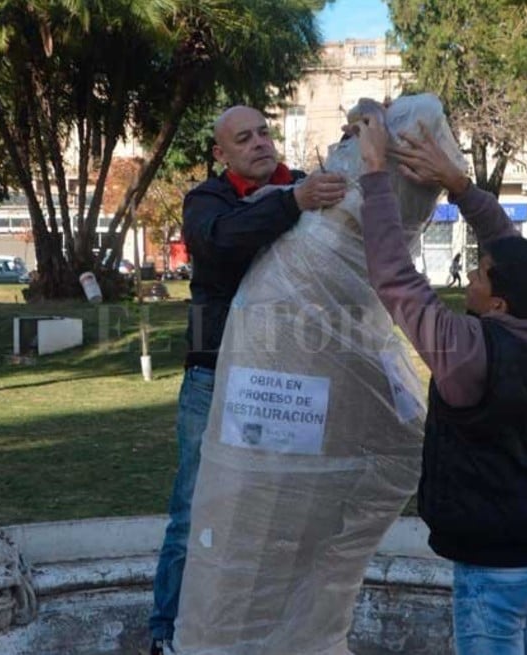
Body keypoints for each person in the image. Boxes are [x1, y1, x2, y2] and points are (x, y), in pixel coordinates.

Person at [353, 109, 527, 654]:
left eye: (478, 275)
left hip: (494, 573)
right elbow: (516, 255)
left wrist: (374, 173)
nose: (471, 278)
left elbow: (394, 277)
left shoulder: (468, 354)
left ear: (498, 302)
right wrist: (458, 186)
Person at [148, 105, 347, 655]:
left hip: (292, 381)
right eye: (244, 137)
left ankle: (270, 629)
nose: (260, 142)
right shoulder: (208, 201)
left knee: (287, 509)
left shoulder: (307, 187)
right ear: (221, 153)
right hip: (216, 378)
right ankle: (166, 633)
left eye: (263, 132)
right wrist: (293, 203)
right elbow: (220, 240)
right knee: (192, 512)